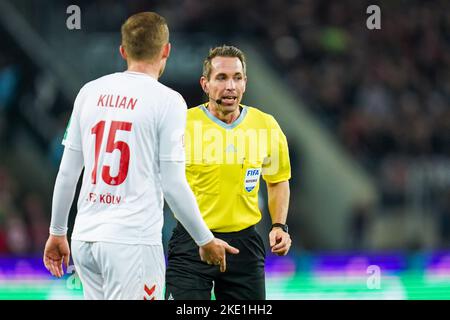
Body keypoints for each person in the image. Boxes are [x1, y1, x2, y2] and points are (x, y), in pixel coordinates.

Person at [42, 13, 238, 300]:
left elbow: (68, 172)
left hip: (85, 239)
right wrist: (204, 238)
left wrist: (58, 231)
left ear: (123, 51)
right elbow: (173, 184)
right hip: (131, 242)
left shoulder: (89, 92)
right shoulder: (168, 101)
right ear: (166, 50)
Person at [165, 45, 292, 300]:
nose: (230, 86)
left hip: (244, 247)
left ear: (245, 83)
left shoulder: (266, 125)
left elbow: (277, 181)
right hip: (192, 243)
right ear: (205, 83)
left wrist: (279, 226)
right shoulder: (181, 125)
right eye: (221, 78)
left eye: (236, 77)